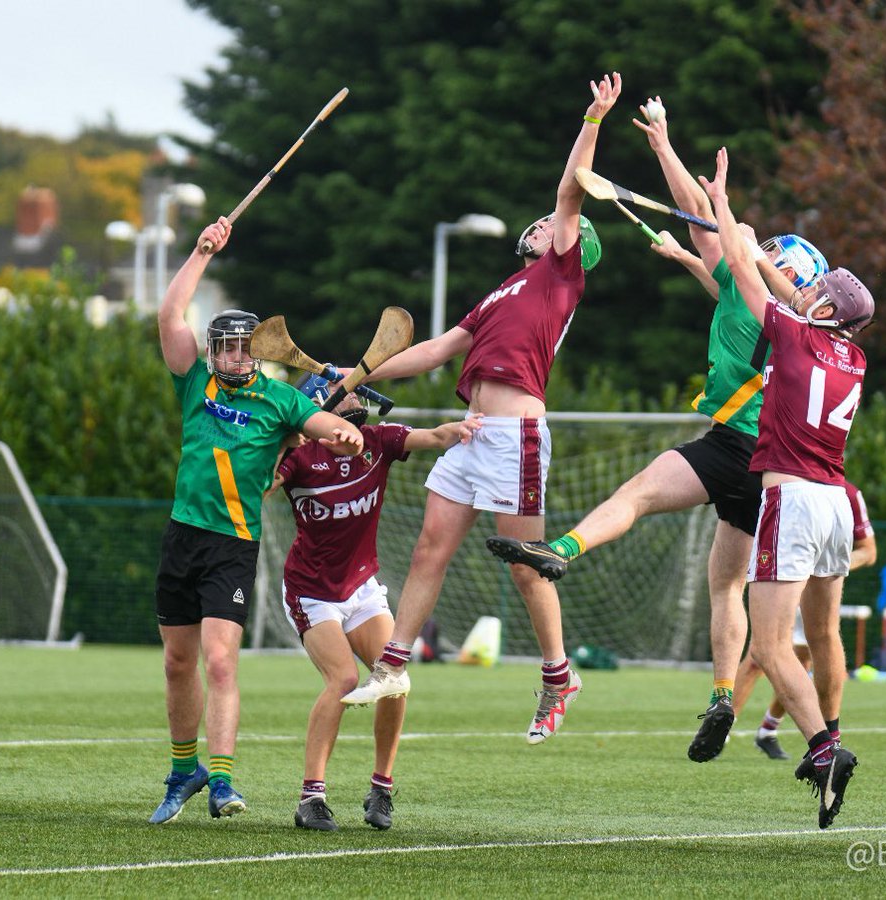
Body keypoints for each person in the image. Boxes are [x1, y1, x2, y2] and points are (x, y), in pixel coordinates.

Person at [486, 99, 829, 763]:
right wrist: (696, 244)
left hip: (740, 450)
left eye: (776, 255)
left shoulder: (757, 289)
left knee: (646, 499)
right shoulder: (798, 325)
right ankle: (722, 696)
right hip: (774, 466)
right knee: (724, 583)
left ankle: (563, 548)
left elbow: (708, 223)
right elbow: (714, 250)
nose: (763, 252)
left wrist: (666, 148)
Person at [338, 73, 623, 744]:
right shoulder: (502, 292)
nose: (547, 222)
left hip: (516, 434)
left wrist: (593, 118)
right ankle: (394, 663)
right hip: (471, 433)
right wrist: (363, 370)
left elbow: (569, 188)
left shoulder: (561, 270)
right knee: (430, 548)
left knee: (526, 563)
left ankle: (559, 675)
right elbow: (438, 349)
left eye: (557, 225)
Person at [148, 217, 365, 826]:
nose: (230, 355)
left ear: (256, 351)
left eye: (240, 346)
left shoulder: (279, 399)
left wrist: (346, 435)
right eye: (222, 346)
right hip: (182, 535)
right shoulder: (196, 382)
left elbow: (326, 425)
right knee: (176, 662)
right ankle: (181, 769)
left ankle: (220, 780)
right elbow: (170, 317)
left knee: (220, 661)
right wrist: (200, 252)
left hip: (232, 545)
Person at [701, 146, 875, 829]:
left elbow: (747, 273)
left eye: (819, 286)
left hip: (793, 499)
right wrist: (745, 244)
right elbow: (776, 284)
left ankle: (825, 748)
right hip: (836, 499)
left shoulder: (796, 335)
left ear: (826, 304)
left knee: (770, 646)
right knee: (822, 634)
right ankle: (827, 727)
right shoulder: (851, 353)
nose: (810, 287)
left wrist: (725, 210)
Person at [269, 375, 480, 831]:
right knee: (344, 679)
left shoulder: (377, 442)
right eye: (343, 391)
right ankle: (311, 797)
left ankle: (381, 788)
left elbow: (439, 436)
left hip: (361, 588)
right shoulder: (301, 458)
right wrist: (285, 438)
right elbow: (264, 485)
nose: (355, 397)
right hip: (312, 591)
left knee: (395, 679)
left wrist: (472, 426)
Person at [736, 482, 876, 761]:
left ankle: (770, 730)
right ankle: (720, 729)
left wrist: (825, 564)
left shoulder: (847, 494)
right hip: (784, 579)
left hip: (814, 587)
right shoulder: (783, 484)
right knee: (758, 658)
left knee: (802, 660)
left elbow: (869, 552)